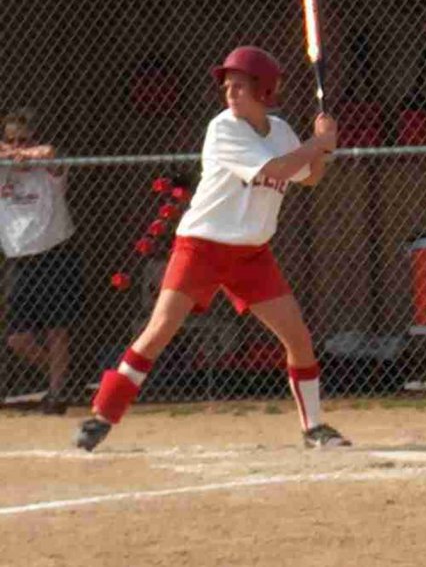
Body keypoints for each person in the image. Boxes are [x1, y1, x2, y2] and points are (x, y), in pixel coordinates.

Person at [75, 46, 351, 450]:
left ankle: (313, 428)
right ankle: (102, 416)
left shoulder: (281, 132)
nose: (230, 93)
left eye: (240, 86)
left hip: (252, 255)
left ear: (265, 90)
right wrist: (317, 143)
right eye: (227, 86)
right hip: (201, 247)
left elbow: (308, 177)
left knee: (298, 338)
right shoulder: (224, 128)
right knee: (158, 330)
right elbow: (274, 170)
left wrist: (323, 148)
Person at [0, 111, 82, 414]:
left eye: (25, 140)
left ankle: (57, 393)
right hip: (19, 258)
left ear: (35, 139)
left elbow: (51, 154)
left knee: (56, 328)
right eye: (11, 140)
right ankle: (63, 377)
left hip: (54, 252)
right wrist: (11, 155)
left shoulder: (48, 170)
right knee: (17, 338)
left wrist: (26, 155)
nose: (18, 146)